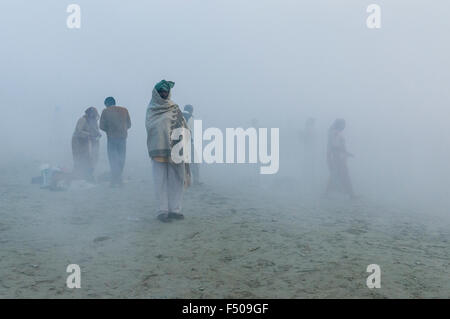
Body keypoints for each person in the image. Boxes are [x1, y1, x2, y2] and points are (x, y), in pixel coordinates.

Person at [146, 80, 191, 222]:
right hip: (158, 150)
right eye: (161, 92)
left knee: (176, 180)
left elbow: (183, 125)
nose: (164, 94)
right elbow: (152, 128)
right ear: (156, 93)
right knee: (160, 181)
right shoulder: (152, 109)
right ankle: (162, 211)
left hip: (176, 150)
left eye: (166, 91)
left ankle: (175, 210)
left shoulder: (174, 108)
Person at [99, 97, 131, 187]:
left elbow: (101, 126)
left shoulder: (105, 111)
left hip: (112, 138)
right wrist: (122, 129)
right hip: (122, 137)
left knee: (113, 159)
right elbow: (129, 124)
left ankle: (114, 180)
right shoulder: (124, 110)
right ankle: (118, 179)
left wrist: (109, 130)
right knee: (121, 158)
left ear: (107, 104)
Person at [325, 119, 356, 199]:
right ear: (339, 125)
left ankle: (326, 193)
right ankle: (351, 194)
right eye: (343, 125)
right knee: (344, 175)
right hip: (338, 157)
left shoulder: (334, 132)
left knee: (335, 175)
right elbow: (335, 146)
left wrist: (346, 153)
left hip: (339, 156)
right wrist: (345, 153)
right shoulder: (336, 133)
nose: (344, 126)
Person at [72, 107, 101, 182]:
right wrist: (89, 134)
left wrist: (98, 134)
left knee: (89, 158)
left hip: (87, 141)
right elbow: (79, 131)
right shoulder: (82, 120)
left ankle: (87, 175)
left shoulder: (94, 121)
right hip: (78, 141)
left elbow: (96, 130)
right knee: (79, 157)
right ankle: (78, 175)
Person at [182, 104, 201, 185]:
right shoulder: (190, 117)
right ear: (191, 110)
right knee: (194, 161)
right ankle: (196, 181)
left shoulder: (177, 115)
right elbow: (188, 129)